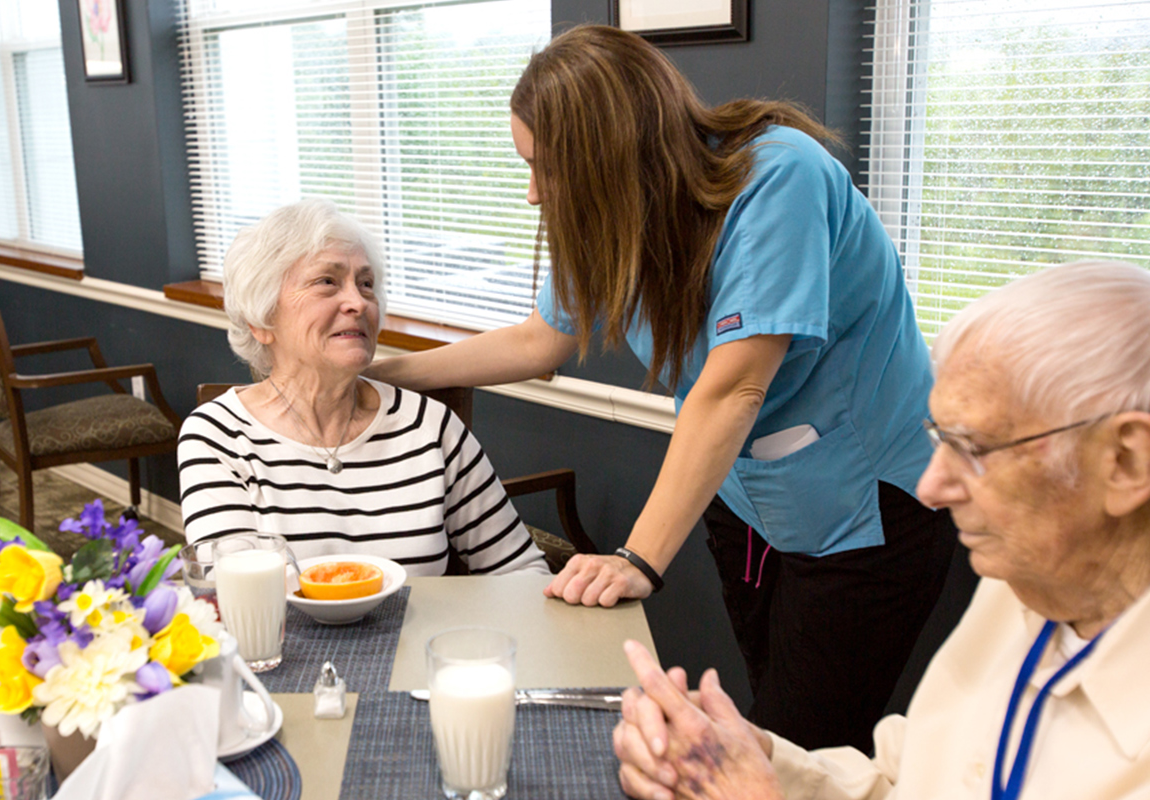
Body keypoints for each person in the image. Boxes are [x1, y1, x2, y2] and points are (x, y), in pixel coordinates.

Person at [366, 24, 954, 750]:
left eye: (545, 168)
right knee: (766, 725)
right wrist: (376, 370)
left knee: (807, 744)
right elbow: (538, 340)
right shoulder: (620, 216)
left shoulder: (779, 180)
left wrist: (636, 557)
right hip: (745, 504)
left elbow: (733, 389)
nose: (532, 194)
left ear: (609, 154)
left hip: (863, 510)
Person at [612, 260, 1150, 800]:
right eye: (941, 439)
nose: (930, 488)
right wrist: (758, 760)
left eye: (973, 449)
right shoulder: (1022, 590)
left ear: (1125, 461)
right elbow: (902, 782)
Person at [177, 199, 548, 576]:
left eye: (366, 284)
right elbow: (235, 593)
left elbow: (520, 570)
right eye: (327, 282)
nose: (358, 302)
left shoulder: (430, 427)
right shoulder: (217, 436)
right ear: (261, 319)